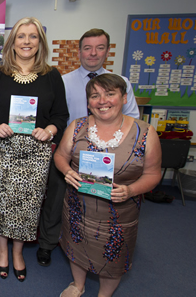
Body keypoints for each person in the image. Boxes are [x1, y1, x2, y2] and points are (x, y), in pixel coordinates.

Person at [37, 28, 140, 267]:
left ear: (107, 51)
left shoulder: (121, 83)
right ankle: (48, 244)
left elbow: (134, 120)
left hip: (108, 157)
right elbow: (54, 115)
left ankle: (96, 249)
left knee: (99, 208)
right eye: (87, 48)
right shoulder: (63, 81)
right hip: (69, 154)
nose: (93, 53)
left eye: (100, 47)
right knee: (56, 201)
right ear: (79, 50)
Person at [0, 17, 69, 282]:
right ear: (12, 42)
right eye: (21, 36)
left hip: (36, 152)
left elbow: (61, 116)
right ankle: (2, 249)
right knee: (2, 202)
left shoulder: (52, 76)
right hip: (1, 149)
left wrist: (49, 130)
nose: (26, 42)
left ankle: (18, 252)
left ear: (40, 42)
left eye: (32, 36)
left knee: (27, 205)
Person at [55, 74, 161, 297]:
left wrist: (131, 190)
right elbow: (60, 156)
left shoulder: (145, 133)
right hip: (77, 209)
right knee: (76, 247)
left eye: (110, 94)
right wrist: (67, 171)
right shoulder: (77, 126)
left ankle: (104, 294)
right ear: (88, 103)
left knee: (113, 257)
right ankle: (78, 285)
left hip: (119, 214)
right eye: (95, 96)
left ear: (123, 98)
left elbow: (153, 174)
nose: (102, 101)